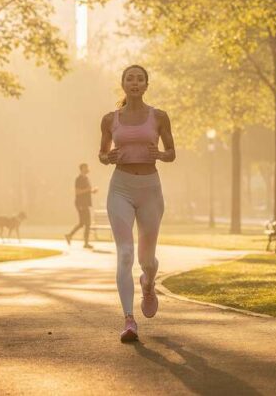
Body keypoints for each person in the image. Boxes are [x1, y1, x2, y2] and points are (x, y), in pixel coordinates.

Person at [99, 64, 176, 343]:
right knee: (125, 253)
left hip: (150, 190)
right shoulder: (110, 119)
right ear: (123, 84)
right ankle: (129, 319)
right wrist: (108, 158)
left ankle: (148, 283)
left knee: (146, 260)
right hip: (120, 188)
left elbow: (172, 153)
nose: (134, 83)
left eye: (139, 79)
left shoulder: (159, 116)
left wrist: (161, 154)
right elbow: (102, 153)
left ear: (146, 85)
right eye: (129, 79)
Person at [65, 163, 98, 249]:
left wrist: (92, 191)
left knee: (82, 223)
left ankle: (69, 235)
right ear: (82, 169)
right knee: (86, 223)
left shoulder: (86, 178)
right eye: (86, 167)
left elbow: (86, 191)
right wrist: (88, 189)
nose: (88, 169)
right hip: (80, 203)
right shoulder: (78, 179)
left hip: (85, 203)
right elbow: (77, 192)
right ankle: (85, 242)